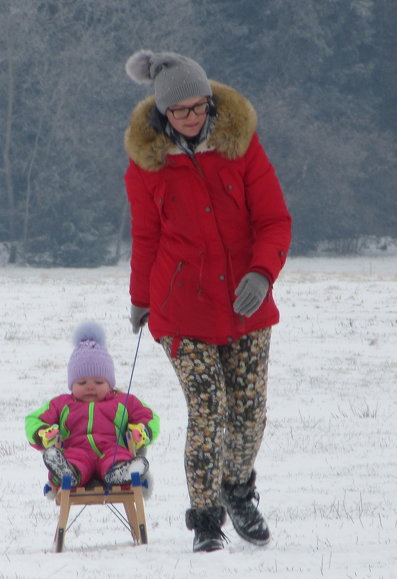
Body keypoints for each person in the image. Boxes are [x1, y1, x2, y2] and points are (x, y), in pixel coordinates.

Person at [123, 50, 292, 553]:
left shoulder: (243, 148)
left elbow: (274, 220)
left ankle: (237, 491)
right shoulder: (147, 167)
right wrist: (140, 298)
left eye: (199, 107)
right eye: (181, 111)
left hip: (245, 305)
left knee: (249, 413)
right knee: (209, 408)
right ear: (163, 113)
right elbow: (145, 236)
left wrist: (263, 274)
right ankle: (205, 520)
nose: (193, 118)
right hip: (182, 311)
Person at [26, 321, 159, 489]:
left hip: (112, 449)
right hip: (76, 451)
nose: (90, 387)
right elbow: (33, 419)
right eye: (82, 382)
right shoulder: (62, 404)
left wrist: (142, 431)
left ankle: (121, 471)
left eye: (98, 381)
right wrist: (42, 434)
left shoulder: (123, 401)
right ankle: (68, 472)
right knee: (75, 459)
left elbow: (150, 417)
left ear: (110, 383)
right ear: (71, 384)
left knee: (116, 456)